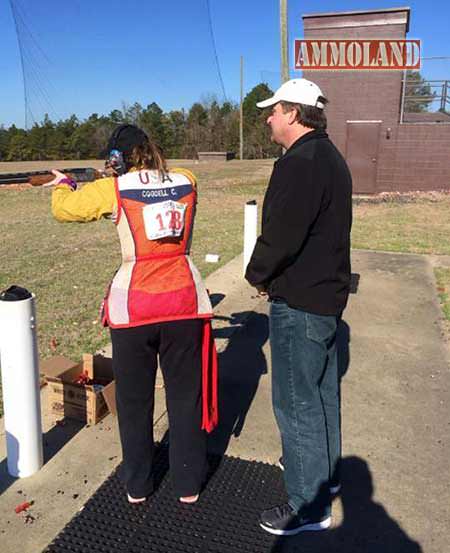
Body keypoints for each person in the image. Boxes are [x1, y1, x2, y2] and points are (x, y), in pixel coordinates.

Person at [48, 124, 218, 504]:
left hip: (135, 307)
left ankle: (139, 486)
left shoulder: (114, 189)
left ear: (117, 160)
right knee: (185, 396)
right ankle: (189, 486)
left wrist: (64, 184)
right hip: (184, 301)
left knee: (135, 400)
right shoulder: (187, 180)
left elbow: (64, 209)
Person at [245, 79, 352, 535]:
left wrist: (257, 275)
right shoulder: (330, 156)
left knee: (295, 402)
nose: (268, 117)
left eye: (273, 110)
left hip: (302, 302)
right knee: (322, 395)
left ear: (293, 113)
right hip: (325, 298)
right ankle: (324, 481)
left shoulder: (300, 163)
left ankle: (307, 505)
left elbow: (281, 236)